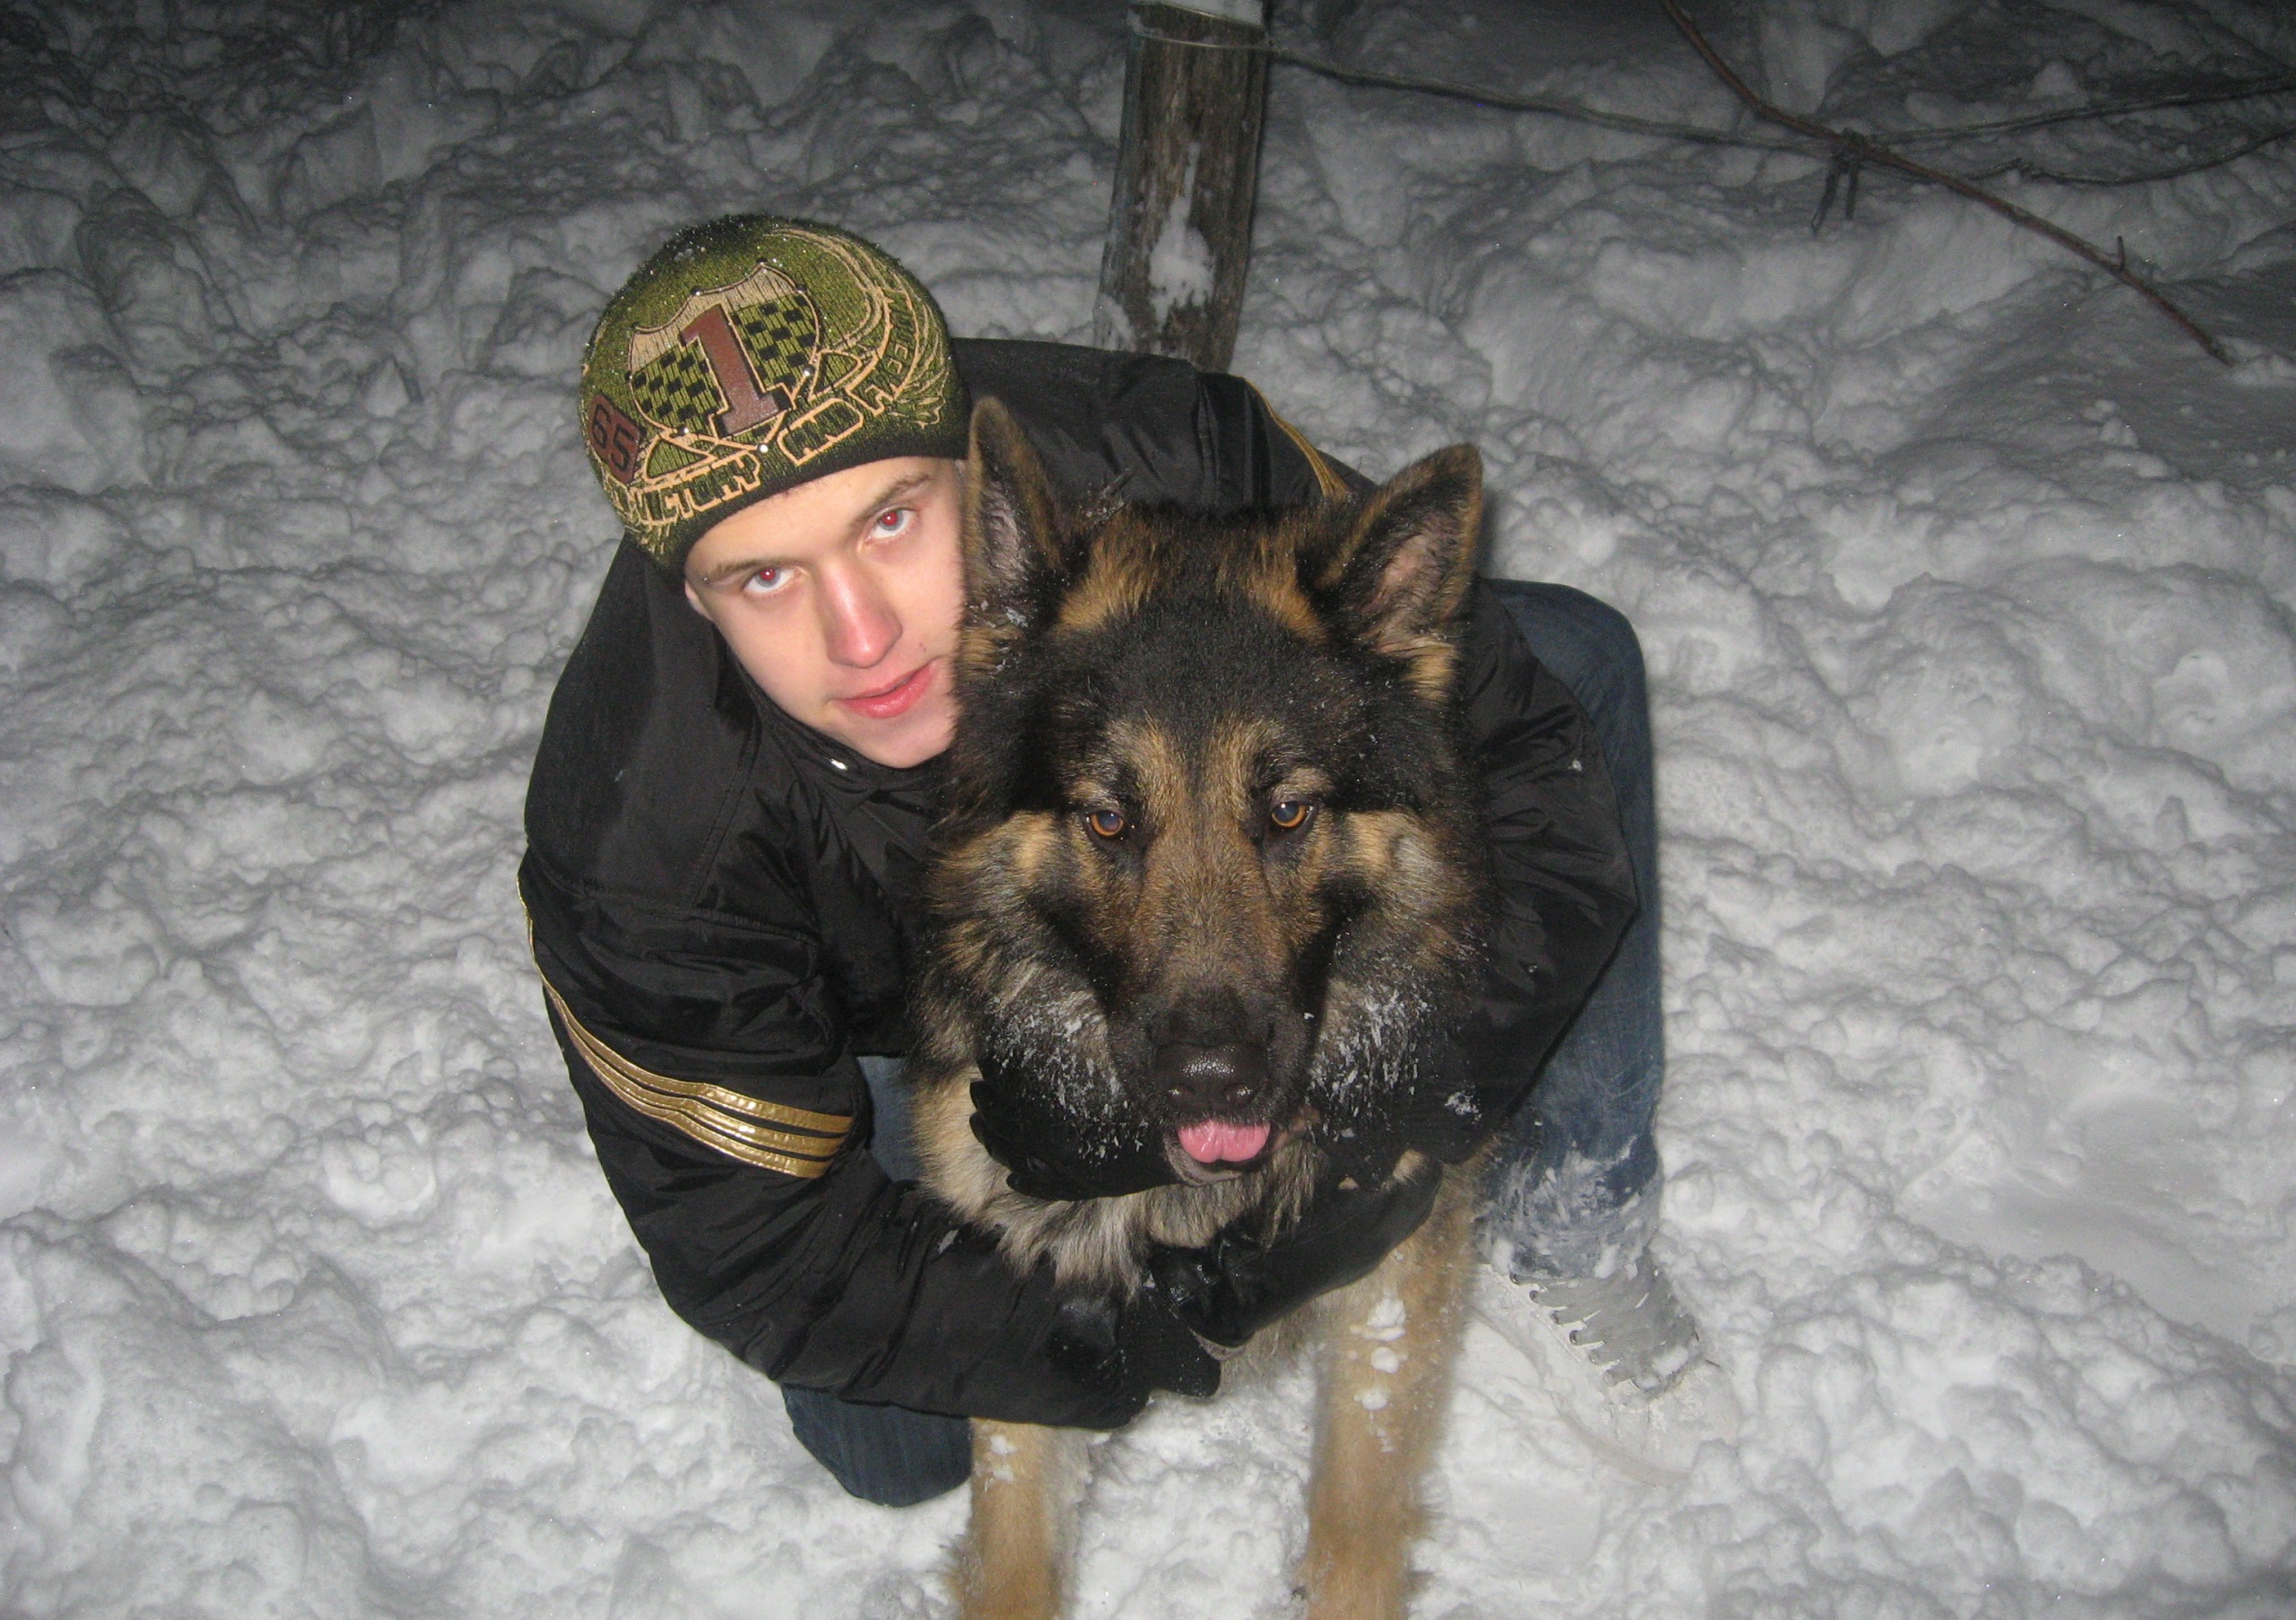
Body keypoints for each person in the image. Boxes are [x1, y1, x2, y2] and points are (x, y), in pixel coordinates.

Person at [520, 216, 1734, 1509]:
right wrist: (1144, 1320)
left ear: (972, 476)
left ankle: (1581, 1201)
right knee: (900, 1448)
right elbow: (762, 1253)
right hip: (874, 994)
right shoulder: (643, 843)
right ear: (689, 593)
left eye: (891, 521)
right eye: (764, 577)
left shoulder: (1176, 454)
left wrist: (1424, 1097)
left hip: (1197, 823)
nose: (861, 635)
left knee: (1575, 666)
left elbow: (1525, 752)